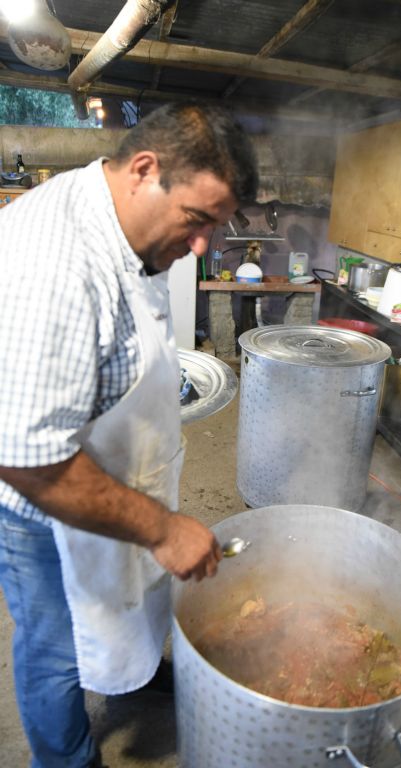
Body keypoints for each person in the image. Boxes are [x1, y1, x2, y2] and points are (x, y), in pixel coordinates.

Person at [0, 101, 258, 768]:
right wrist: (164, 530)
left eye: (213, 227)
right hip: (42, 510)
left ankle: (137, 671)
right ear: (144, 169)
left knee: (135, 599)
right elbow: (26, 458)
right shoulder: (52, 265)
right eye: (196, 220)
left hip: (117, 470)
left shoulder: (124, 221)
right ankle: (65, 760)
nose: (201, 246)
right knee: (54, 650)